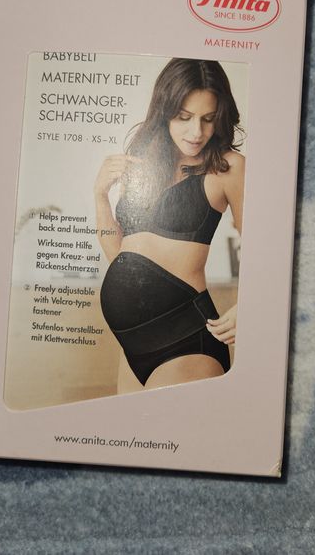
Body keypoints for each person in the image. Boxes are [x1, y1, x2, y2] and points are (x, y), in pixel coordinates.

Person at [94, 58, 245, 392]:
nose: (197, 132)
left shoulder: (229, 168)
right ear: (164, 111)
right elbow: (118, 256)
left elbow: (266, 246)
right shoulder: (144, 164)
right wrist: (100, 196)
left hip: (187, 341)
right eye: (184, 117)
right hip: (133, 348)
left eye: (208, 119)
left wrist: (250, 303)